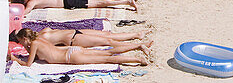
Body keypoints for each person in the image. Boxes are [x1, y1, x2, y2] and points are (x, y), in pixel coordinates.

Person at [10, 29, 149, 67]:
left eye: (21, 42)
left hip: (70, 57)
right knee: (108, 50)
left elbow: (28, 64)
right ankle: (138, 46)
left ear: (25, 39)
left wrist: (14, 59)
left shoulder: (34, 45)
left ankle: (138, 60)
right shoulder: (39, 39)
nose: (21, 44)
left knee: (107, 58)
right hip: (73, 49)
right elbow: (34, 54)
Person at [15, 26, 146, 48]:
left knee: (107, 41)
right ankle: (137, 35)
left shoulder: (39, 42)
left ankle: (136, 41)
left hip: (74, 40)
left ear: (25, 39)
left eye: (21, 42)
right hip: (75, 32)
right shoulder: (43, 31)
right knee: (107, 36)